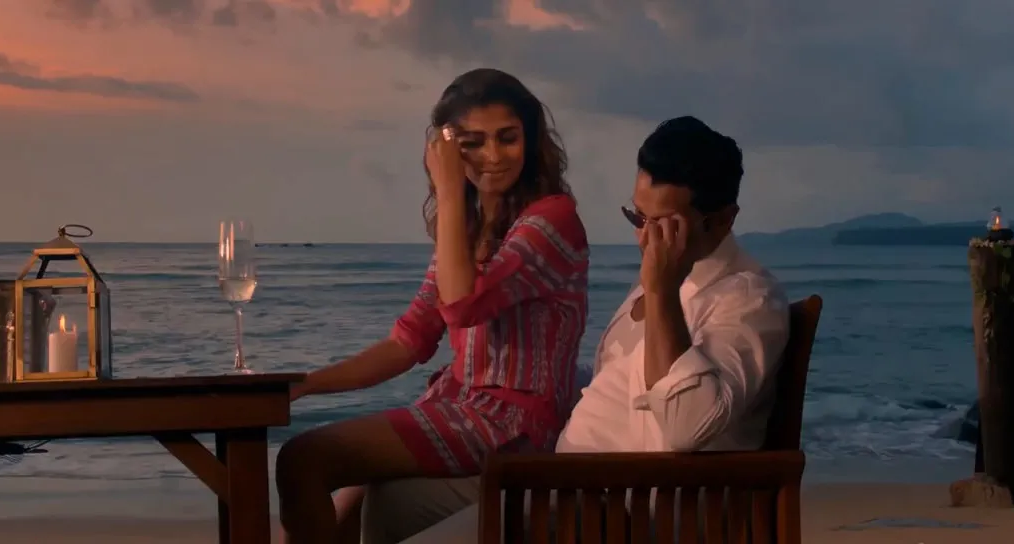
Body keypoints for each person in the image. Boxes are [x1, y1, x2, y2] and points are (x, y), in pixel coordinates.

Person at [396, 115, 792, 542]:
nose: (645, 240)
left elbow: (686, 427)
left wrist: (661, 291)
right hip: (565, 482)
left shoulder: (746, 298)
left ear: (723, 220)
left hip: (629, 508)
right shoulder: (662, 278)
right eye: (638, 218)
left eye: (664, 227)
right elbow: (613, 381)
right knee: (392, 501)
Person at [275, 68, 591, 544]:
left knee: (303, 459)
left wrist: (448, 189)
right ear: (447, 147)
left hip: (512, 424)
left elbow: (463, 306)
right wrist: (306, 384)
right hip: (458, 408)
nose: (492, 156)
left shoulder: (552, 219)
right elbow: (409, 340)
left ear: (530, 140)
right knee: (346, 500)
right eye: (472, 143)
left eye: (507, 138)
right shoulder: (465, 232)